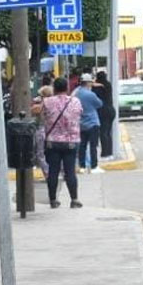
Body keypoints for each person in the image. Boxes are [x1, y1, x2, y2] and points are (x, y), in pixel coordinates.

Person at [37, 77, 83, 209]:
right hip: (71, 142)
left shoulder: (47, 102)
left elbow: (42, 115)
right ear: (67, 88)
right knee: (70, 172)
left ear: (54, 89)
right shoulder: (75, 101)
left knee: (53, 171)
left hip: (53, 141)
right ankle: (74, 199)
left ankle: (53, 200)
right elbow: (80, 114)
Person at [74, 74, 103, 174]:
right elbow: (99, 104)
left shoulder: (76, 93)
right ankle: (94, 166)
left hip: (81, 123)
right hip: (92, 122)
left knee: (82, 146)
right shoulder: (90, 95)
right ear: (88, 83)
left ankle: (82, 166)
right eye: (91, 82)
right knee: (93, 146)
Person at [32, 85, 54, 177]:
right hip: (53, 130)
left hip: (41, 129)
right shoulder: (55, 104)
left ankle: (47, 172)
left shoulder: (40, 105)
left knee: (40, 153)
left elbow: (32, 111)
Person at [94, 71, 116, 161]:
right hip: (111, 110)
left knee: (103, 133)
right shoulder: (108, 85)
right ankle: (109, 153)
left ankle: (105, 154)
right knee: (108, 132)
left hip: (103, 112)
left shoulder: (97, 88)